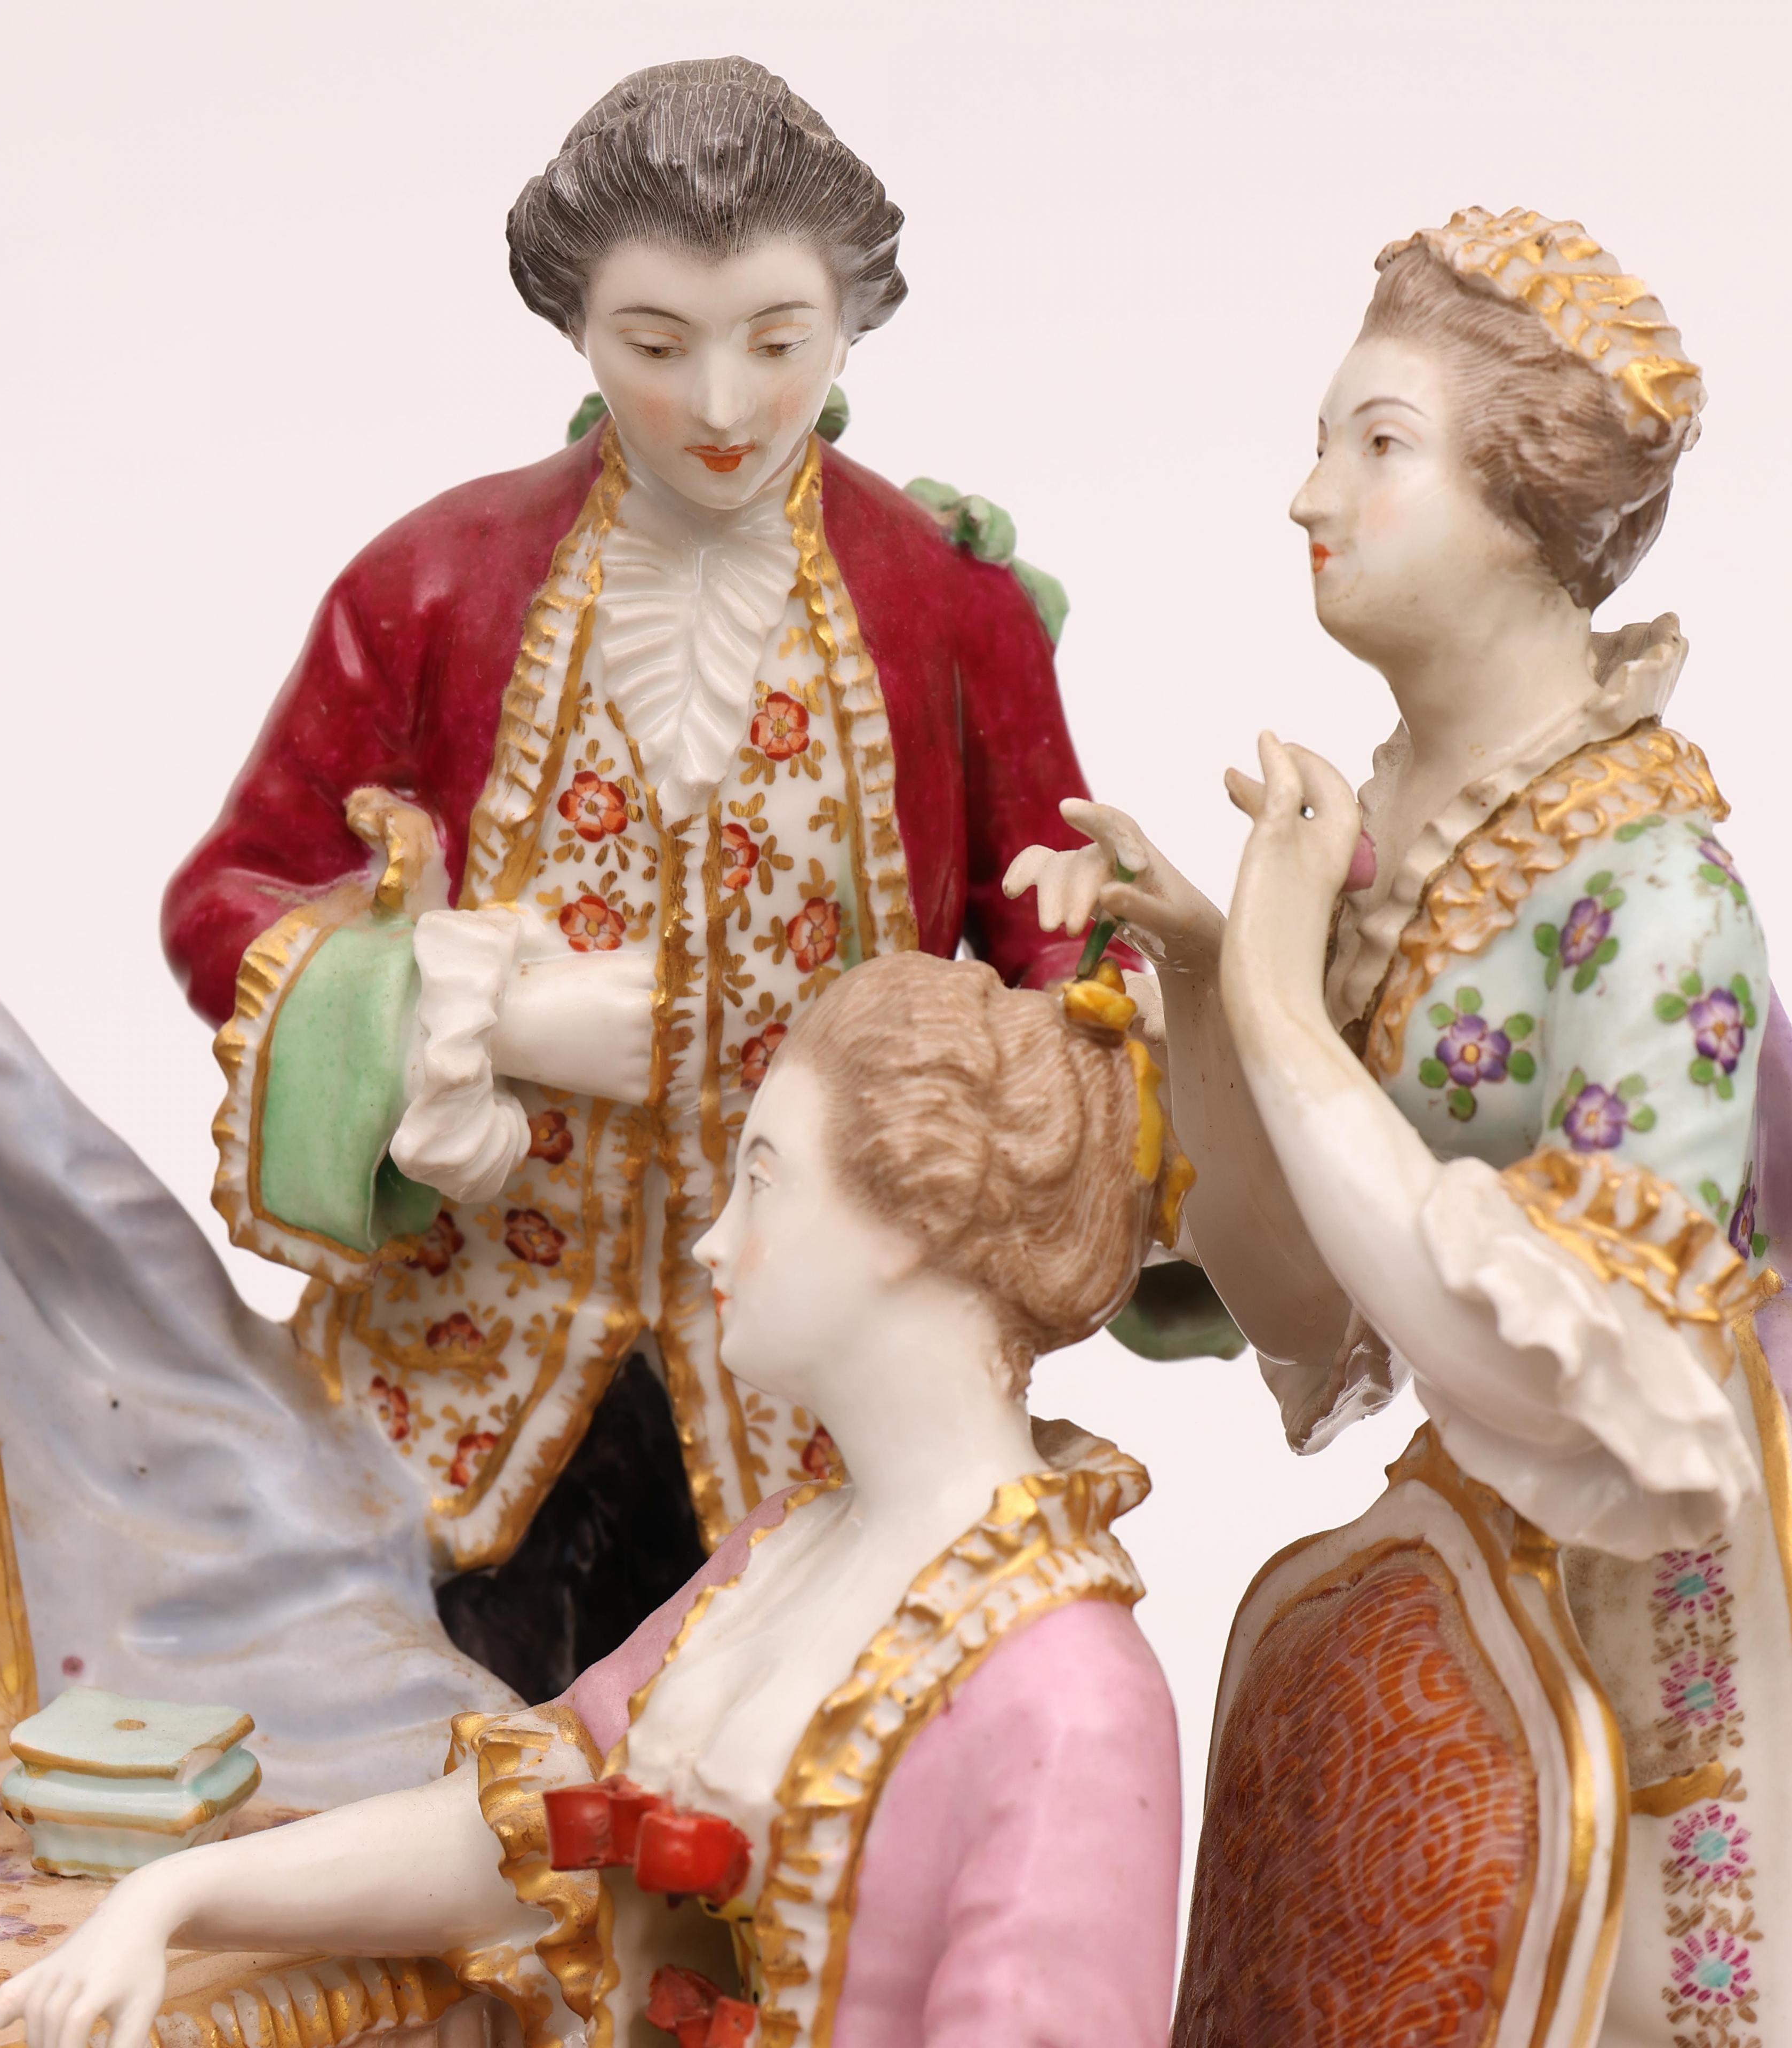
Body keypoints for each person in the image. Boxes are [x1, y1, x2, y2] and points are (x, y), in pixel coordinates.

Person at [1011, 209, 1792, 2044]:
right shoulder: (1400, 825)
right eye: (1322, 439)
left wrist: (1272, 991)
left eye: (1376, 444)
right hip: (1477, 1539)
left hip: (1683, 1529)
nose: (1308, 494)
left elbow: (1580, 1374)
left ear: (1527, 501)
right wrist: (1217, 983)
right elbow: (1319, 1319)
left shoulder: (1654, 893)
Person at [160, 59, 1103, 1701]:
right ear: (578, 327)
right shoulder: (431, 586)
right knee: (439, 1745)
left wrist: (1028, 1113)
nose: (723, 407)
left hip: (821, 1388)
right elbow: (228, 901)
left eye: (777, 342)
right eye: (658, 347)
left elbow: (1063, 958)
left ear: (852, 320)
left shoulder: (951, 611)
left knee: (791, 1761)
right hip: (472, 1358)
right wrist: (464, 1014)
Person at [0, 950, 1185, 2048]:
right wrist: (173, 1897)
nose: (713, 1242)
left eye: (763, 1183)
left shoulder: (1068, 1695)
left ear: (908, 1224)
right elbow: (513, 1828)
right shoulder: (783, 1556)